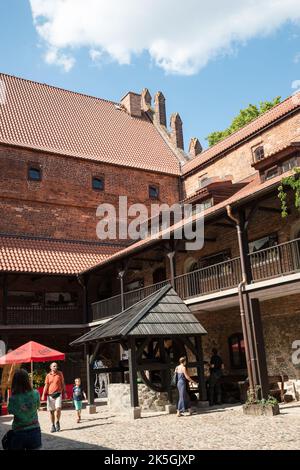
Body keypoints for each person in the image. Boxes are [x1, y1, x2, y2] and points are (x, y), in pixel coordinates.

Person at [4, 369, 41, 450]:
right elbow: (38, 406)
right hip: (35, 430)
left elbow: (10, 411)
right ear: (27, 380)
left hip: (19, 432)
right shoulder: (36, 393)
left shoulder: (13, 399)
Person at [42, 362, 66, 433]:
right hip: (50, 395)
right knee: (51, 412)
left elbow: (63, 383)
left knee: (58, 408)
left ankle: (57, 422)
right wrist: (43, 394)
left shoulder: (60, 374)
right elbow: (46, 386)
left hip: (58, 394)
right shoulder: (48, 375)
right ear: (51, 367)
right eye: (54, 366)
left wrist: (65, 392)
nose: (55, 367)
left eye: (56, 366)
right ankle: (53, 425)